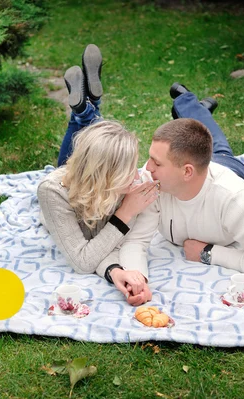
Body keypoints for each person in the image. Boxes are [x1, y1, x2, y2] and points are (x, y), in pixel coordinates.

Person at [117, 83, 244, 280]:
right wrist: (136, 278)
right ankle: (197, 111)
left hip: (229, 169)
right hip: (197, 169)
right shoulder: (152, 183)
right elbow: (136, 241)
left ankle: (188, 102)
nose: (146, 168)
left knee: (220, 150)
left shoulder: (234, 200)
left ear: (186, 172)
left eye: (156, 163)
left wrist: (209, 253)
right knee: (204, 140)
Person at [37, 44, 160, 306]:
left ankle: (84, 111)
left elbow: (98, 244)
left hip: (91, 174)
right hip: (71, 184)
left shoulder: (118, 183)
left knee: (94, 145)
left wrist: (117, 272)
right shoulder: (53, 192)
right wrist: (125, 213)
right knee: (89, 149)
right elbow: (82, 259)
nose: (139, 176)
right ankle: (87, 110)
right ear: (107, 179)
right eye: (129, 171)